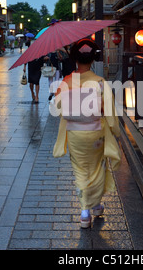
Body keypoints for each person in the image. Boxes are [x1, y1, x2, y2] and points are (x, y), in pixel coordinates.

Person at [52, 39, 121, 229]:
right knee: (97, 168)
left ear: (75, 58)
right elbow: (111, 114)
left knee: (80, 170)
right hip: (95, 133)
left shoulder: (66, 81)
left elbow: (57, 108)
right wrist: (115, 131)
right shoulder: (100, 83)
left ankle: (85, 213)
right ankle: (97, 205)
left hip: (75, 133)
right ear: (93, 60)